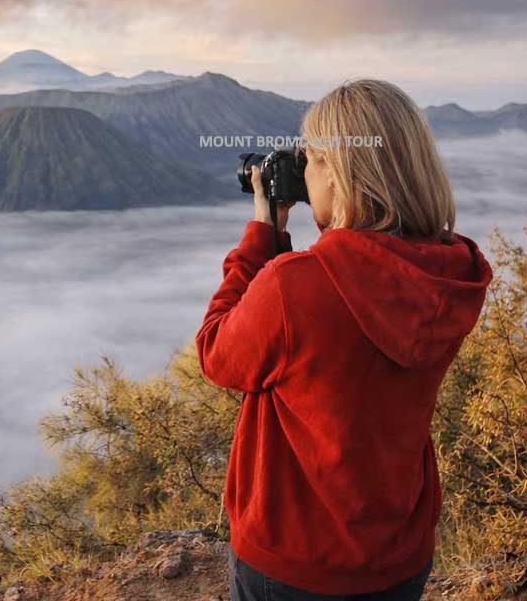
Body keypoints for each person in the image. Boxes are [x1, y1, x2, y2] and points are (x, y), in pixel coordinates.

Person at [195, 78, 493, 601]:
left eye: (311, 160)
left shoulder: (296, 285)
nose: (305, 174)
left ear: (338, 171)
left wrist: (261, 235)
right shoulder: (453, 275)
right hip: (400, 552)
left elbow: (217, 353)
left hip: (296, 560)